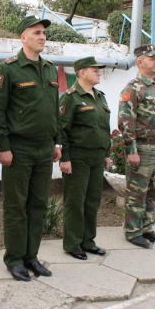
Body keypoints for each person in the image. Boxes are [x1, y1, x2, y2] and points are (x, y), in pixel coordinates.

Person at [0, 15, 62, 281]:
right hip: (18, 149)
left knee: (38, 205)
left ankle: (31, 256)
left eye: (44, 33)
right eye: (36, 32)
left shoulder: (50, 69)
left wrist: (56, 142)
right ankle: (15, 259)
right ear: (23, 37)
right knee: (16, 206)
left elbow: (54, 109)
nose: (42, 37)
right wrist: (3, 146)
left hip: (45, 149)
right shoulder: (8, 69)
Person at [117, 44, 155, 249]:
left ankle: (147, 227)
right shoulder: (133, 88)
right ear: (140, 62)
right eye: (152, 58)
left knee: (154, 192)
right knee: (137, 193)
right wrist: (131, 151)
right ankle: (133, 231)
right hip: (142, 149)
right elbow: (125, 121)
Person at [59, 57, 111, 260]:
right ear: (82, 73)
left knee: (92, 201)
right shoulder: (70, 98)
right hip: (78, 157)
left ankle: (88, 241)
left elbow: (104, 128)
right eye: (94, 70)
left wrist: (106, 153)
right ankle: (72, 244)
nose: (98, 73)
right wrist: (65, 158)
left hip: (97, 157)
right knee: (75, 202)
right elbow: (61, 130)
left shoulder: (100, 96)